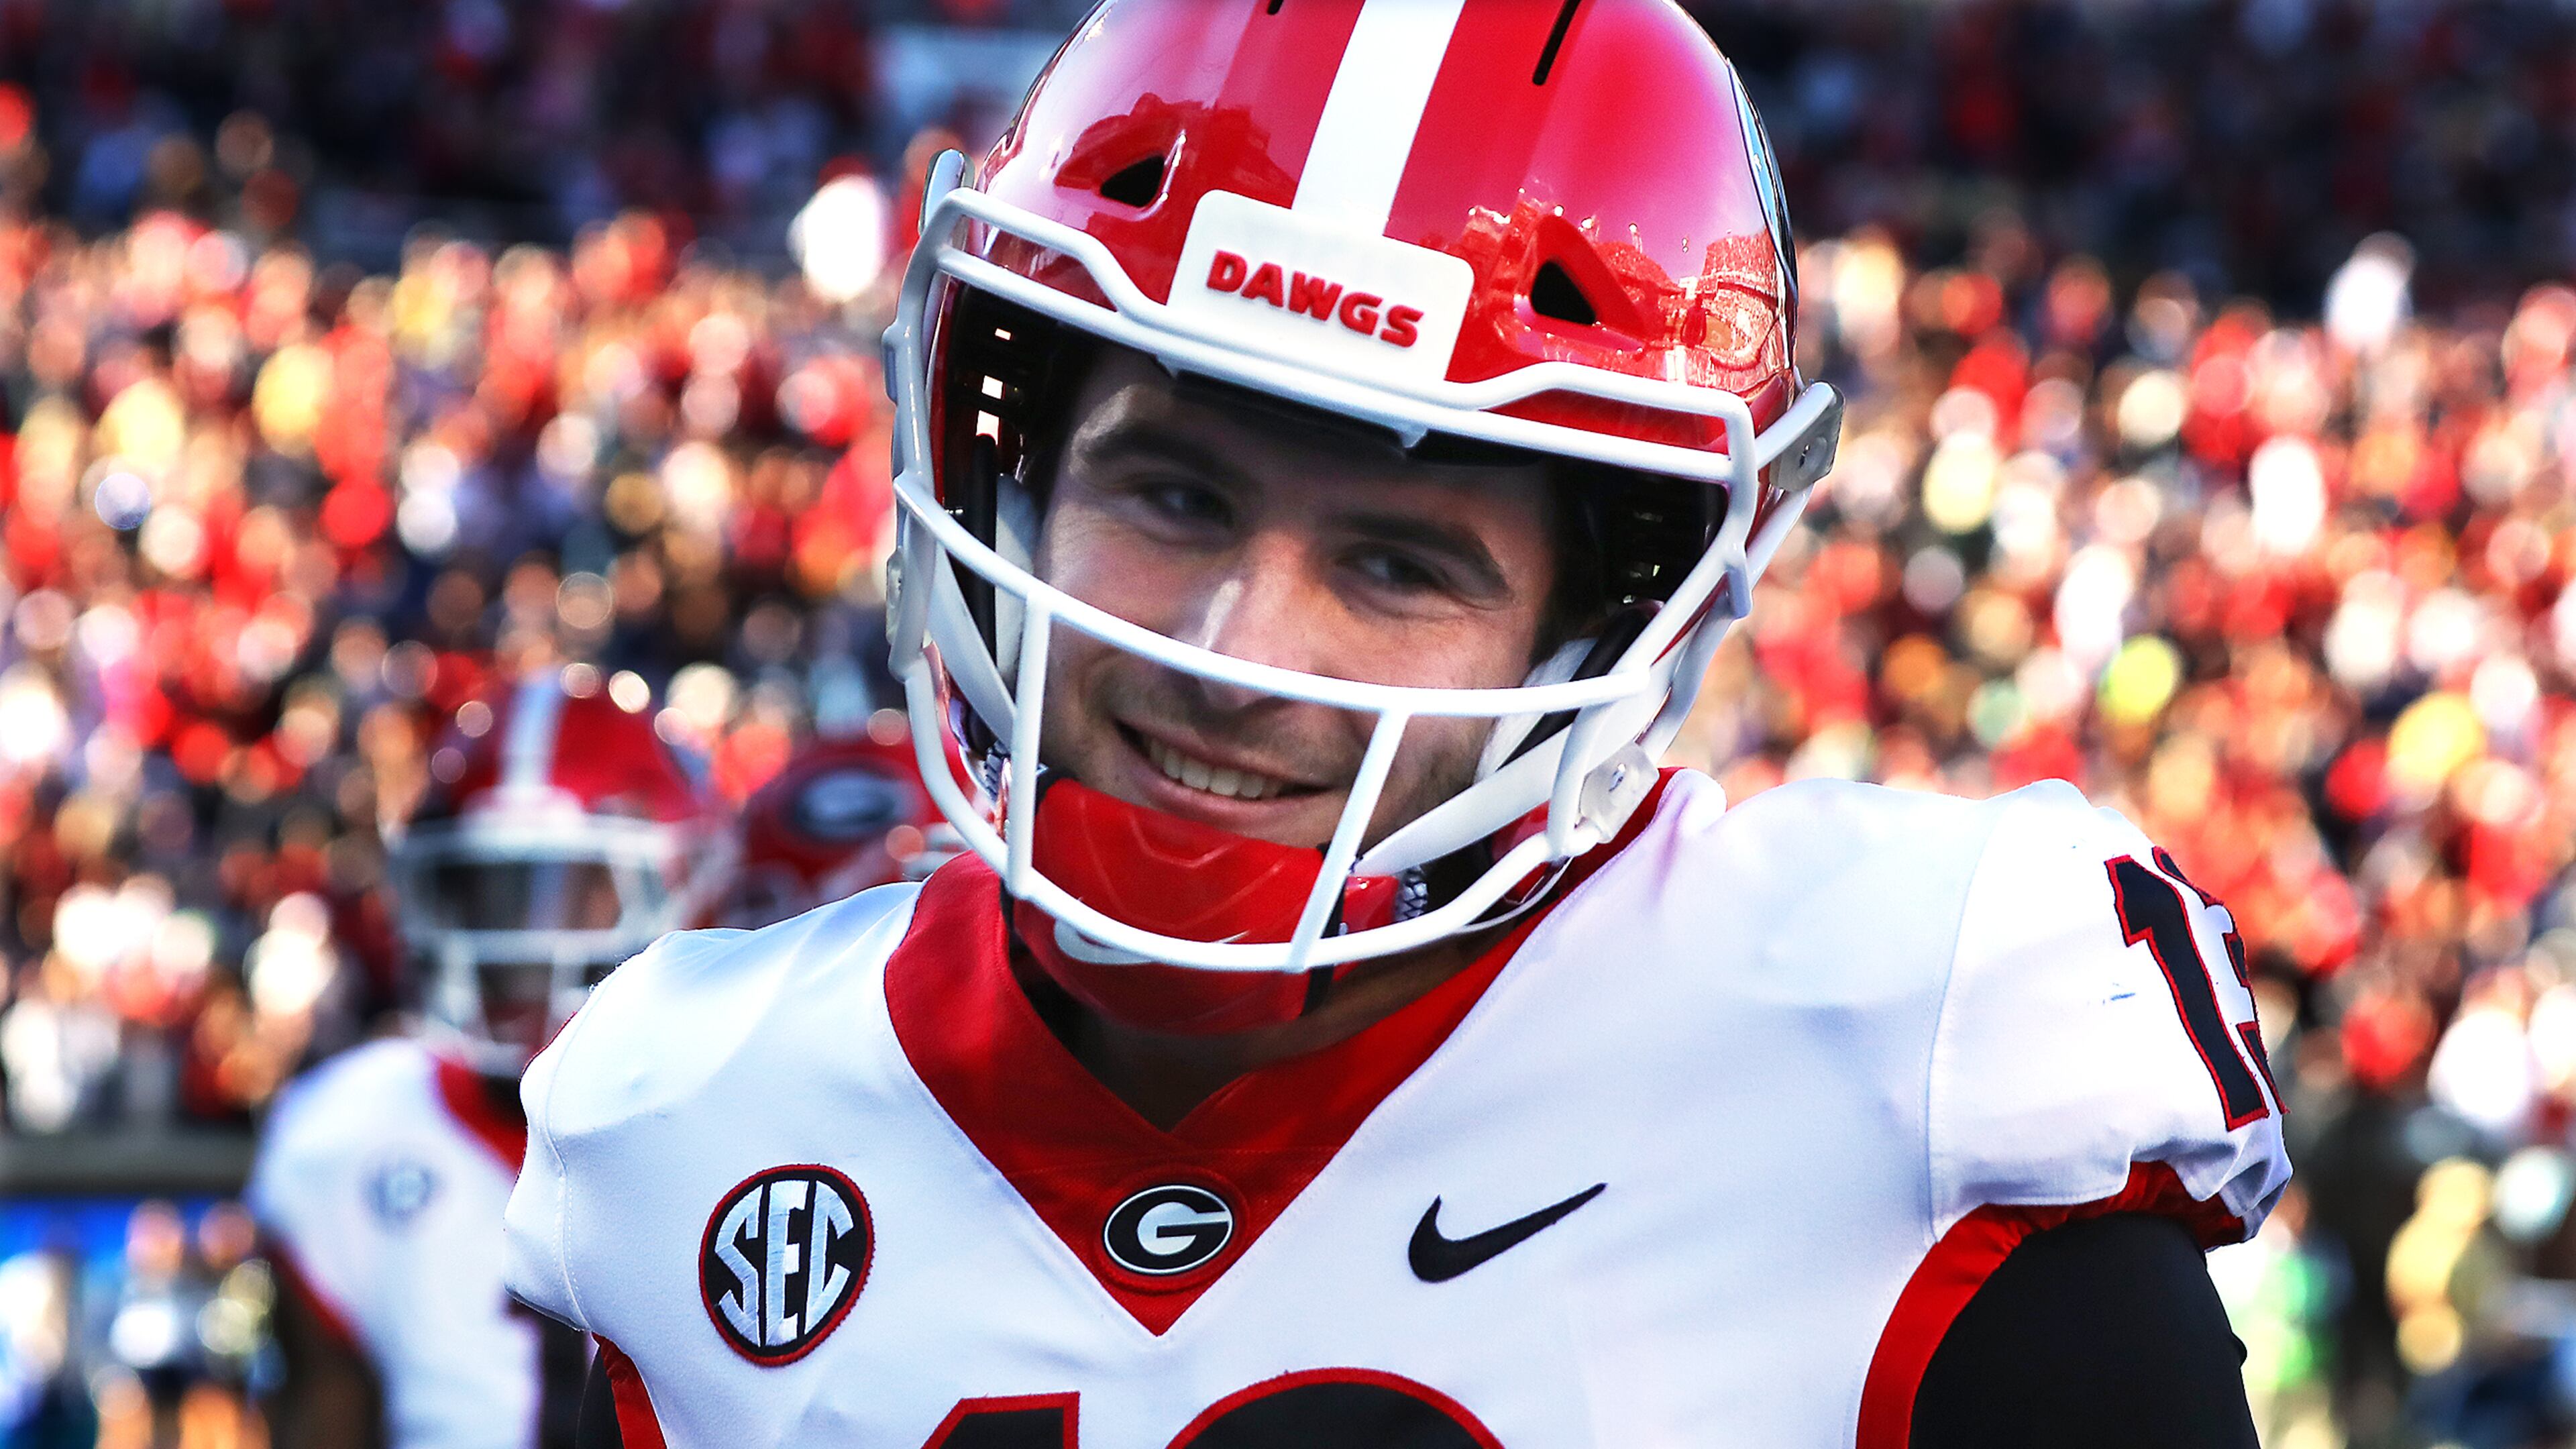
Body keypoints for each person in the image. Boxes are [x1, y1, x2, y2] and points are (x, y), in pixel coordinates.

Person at [506, 4, 2290, 1446]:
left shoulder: (1903, 1078)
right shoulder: (703, 1122)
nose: (1234, 650)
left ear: (1603, 624)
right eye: (1177, 498)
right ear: (1010, 469)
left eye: (1396, 562)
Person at [250, 669, 729, 1448]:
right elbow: (322, 1417)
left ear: (686, 879)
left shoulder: (759, 1104)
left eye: (571, 890)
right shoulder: (344, 1134)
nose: (520, 944)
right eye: (488, 894)